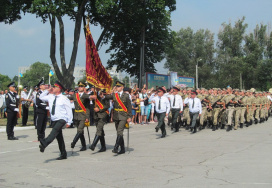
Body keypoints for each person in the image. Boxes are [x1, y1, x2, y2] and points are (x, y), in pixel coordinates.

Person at [39, 81, 73, 160]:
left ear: (59, 89)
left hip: (62, 119)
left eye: (54, 87)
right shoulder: (51, 96)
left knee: (54, 132)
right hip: (54, 119)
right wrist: (47, 90)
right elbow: (41, 97)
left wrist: (69, 121)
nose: (52, 88)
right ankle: (63, 153)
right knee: (59, 137)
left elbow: (69, 110)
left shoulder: (64, 99)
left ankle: (45, 143)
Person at [104, 81, 132, 154]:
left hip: (123, 115)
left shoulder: (126, 95)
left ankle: (116, 147)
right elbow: (106, 97)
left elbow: (129, 107)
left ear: (122, 87)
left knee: (120, 131)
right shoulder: (114, 94)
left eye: (119, 86)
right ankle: (122, 148)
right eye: (116, 86)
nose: (117, 87)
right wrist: (102, 94)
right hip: (116, 115)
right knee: (119, 132)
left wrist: (129, 116)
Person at [69, 82, 95, 151]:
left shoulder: (85, 95)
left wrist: (87, 117)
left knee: (79, 130)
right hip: (76, 115)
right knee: (80, 131)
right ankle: (83, 145)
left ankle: (74, 142)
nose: (80, 87)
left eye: (81, 86)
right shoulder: (75, 95)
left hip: (83, 115)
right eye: (79, 86)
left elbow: (88, 107)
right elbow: (68, 98)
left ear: (84, 88)